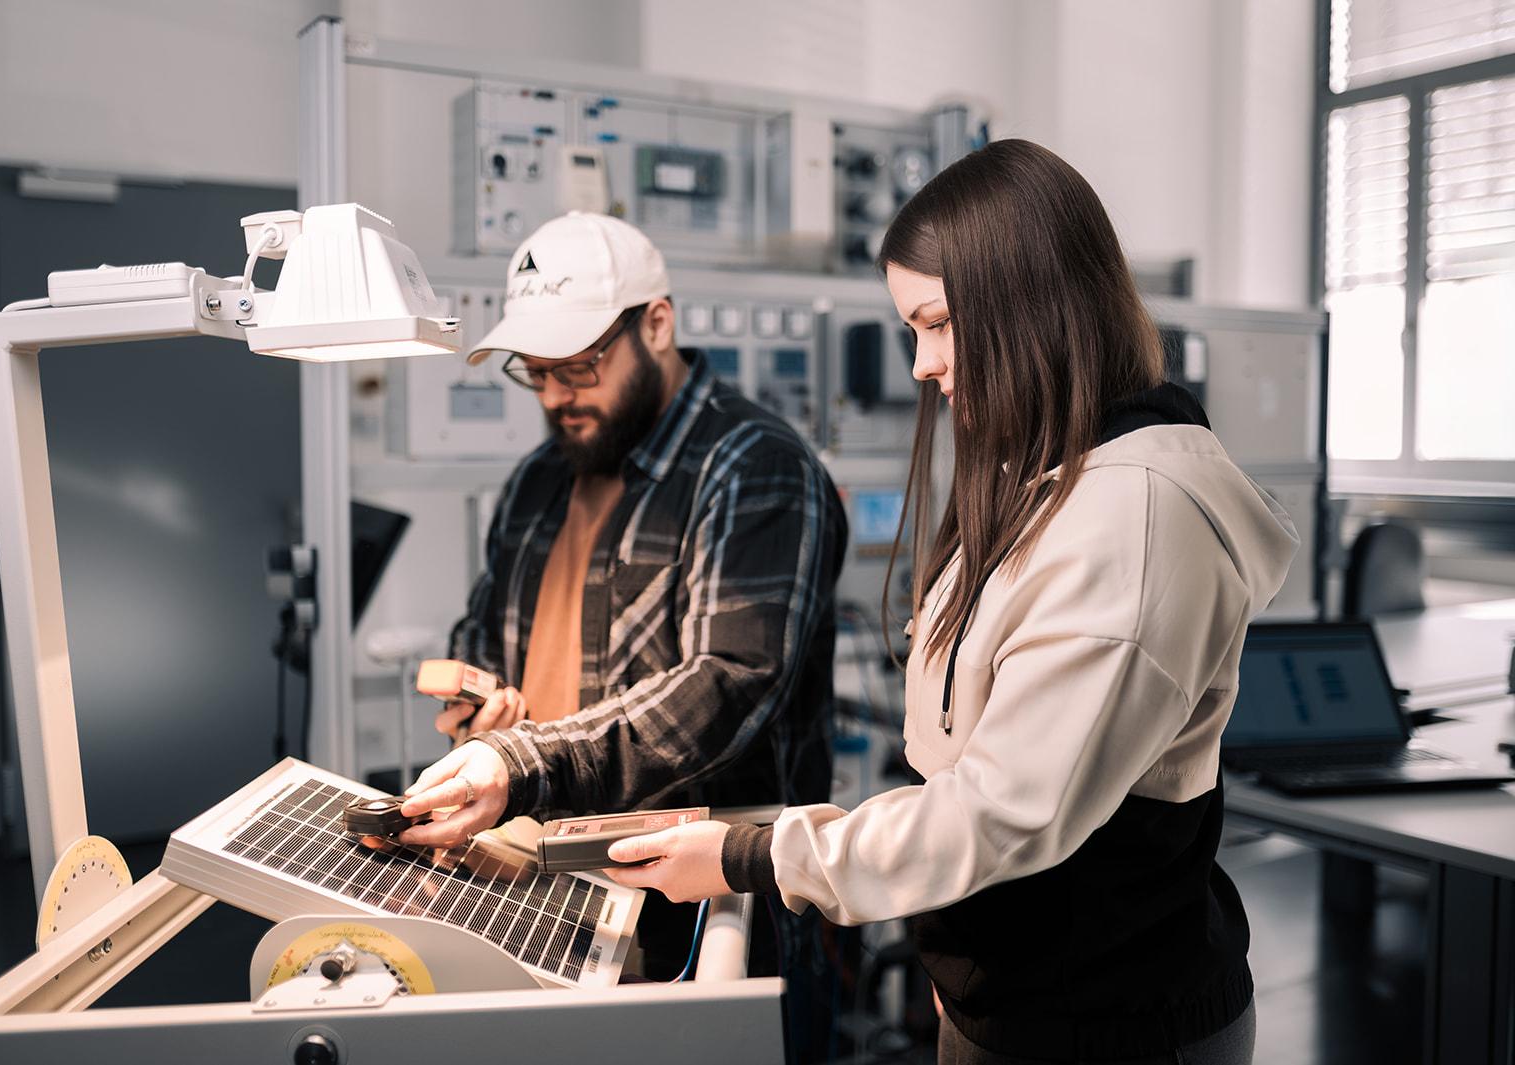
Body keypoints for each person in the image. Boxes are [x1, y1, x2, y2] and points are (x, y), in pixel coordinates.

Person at [411, 143, 1299, 1063]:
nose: (920, 364)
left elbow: (1000, 811)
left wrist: (745, 850)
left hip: (1109, 1016)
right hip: (1009, 992)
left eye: (938, 322)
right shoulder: (1042, 477)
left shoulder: (1133, 516)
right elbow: (969, 774)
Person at [402, 211, 846, 981]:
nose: (555, 396)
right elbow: (486, 630)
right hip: (549, 892)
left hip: (705, 916)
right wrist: (481, 712)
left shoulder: (756, 468)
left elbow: (727, 684)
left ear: (658, 325)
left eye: (578, 367)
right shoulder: (539, 480)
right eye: (536, 372)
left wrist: (524, 757)